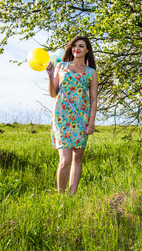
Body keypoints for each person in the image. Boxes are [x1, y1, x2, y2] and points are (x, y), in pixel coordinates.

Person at [46, 36, 98, 195]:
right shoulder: (61, 66)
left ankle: (71, 196)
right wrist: (50, 75)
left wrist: (91, 123)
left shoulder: (91, 72)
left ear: (87, 50)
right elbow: (53, 93)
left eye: (81, 46)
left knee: (77, 158)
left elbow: (94, 99)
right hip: (62, 116)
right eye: (74, 46)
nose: (77, 49)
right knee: (65, 160)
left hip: (81, 118)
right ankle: (61, 196)